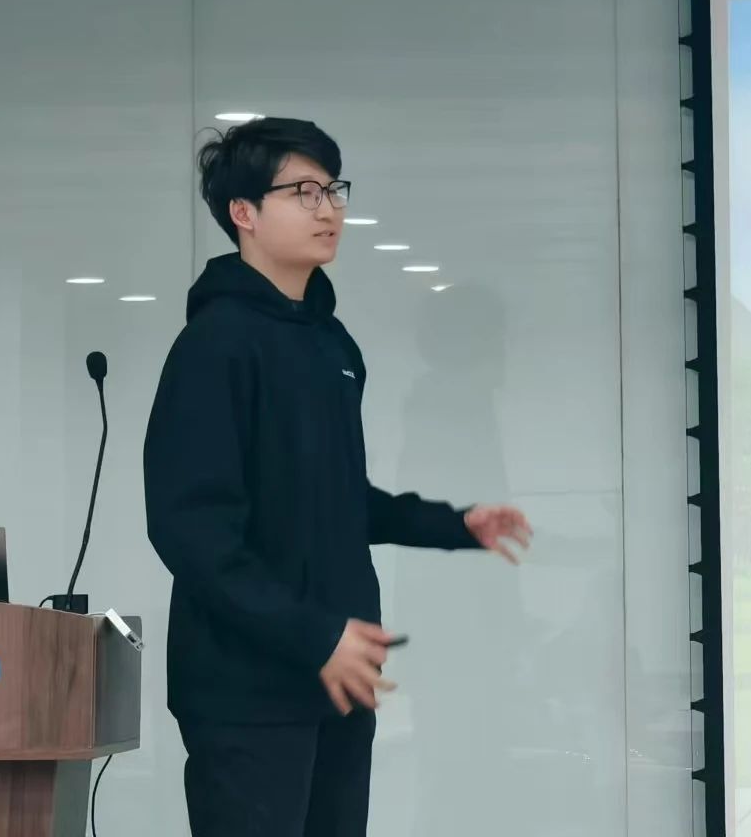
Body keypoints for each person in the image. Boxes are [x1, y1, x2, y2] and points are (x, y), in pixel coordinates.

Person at [144, 117, 532, 837]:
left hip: (339, 677)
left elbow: (335, 498)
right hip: (248, 689)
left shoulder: (331, 344)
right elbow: (190, 530)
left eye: (333, 190)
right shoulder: (214, 346)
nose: (328, 209)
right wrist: (313, 633)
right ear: (244, 213)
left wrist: (453, 524)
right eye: (303, 192)